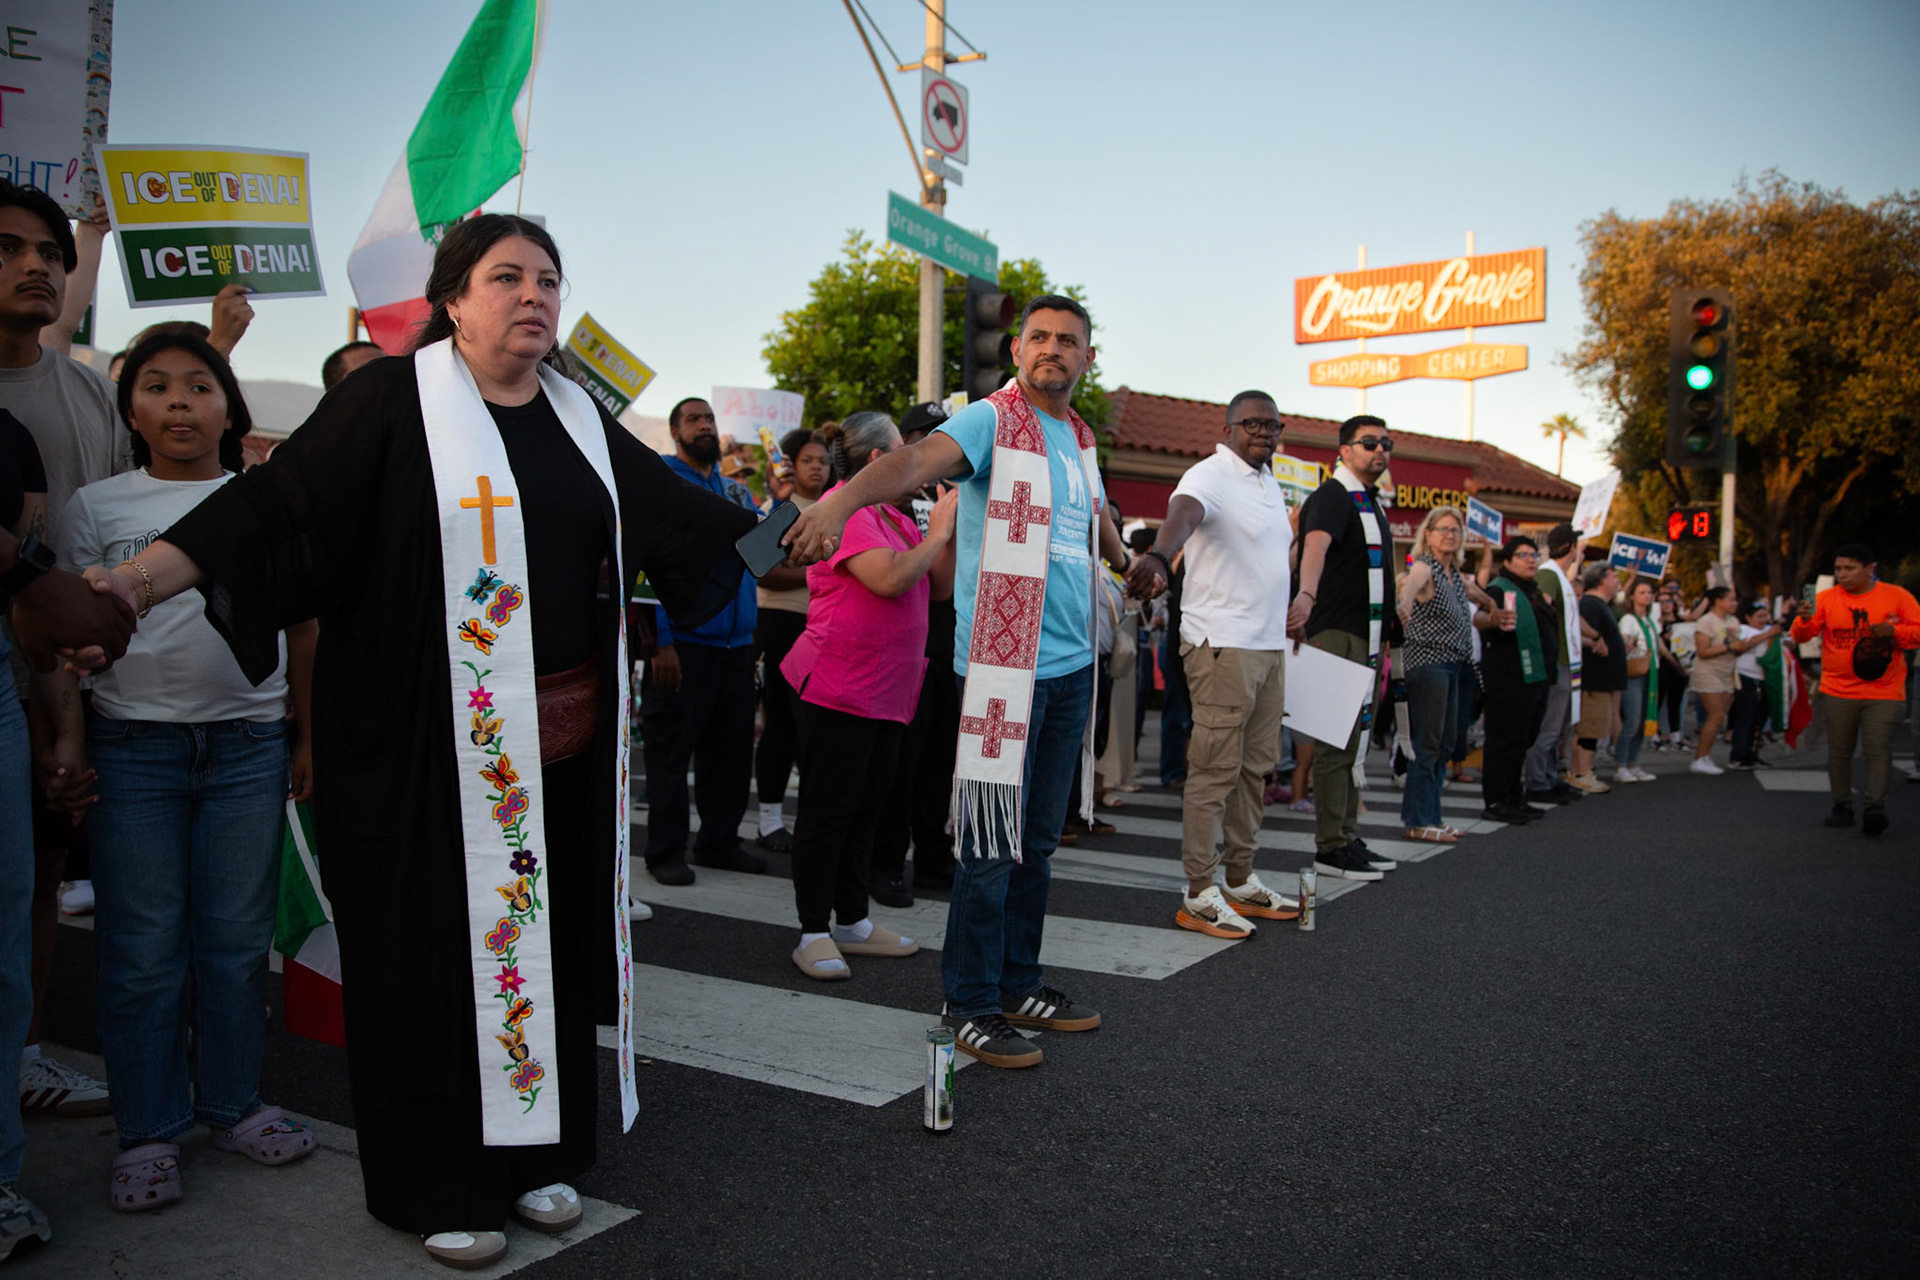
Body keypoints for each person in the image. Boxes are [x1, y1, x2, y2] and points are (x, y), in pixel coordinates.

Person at [72, 215, 755, 1267]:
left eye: (548, 280)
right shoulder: (394, 400)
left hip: (557, 755)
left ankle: (534, 1153)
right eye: (507, 277)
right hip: (419, 751)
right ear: (452, 297)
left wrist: (823, 521)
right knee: (430, 960)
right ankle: (436, 1175)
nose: (533, 295)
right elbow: (267, 510)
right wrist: (134, 579)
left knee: (545, 943)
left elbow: (689, 521)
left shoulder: (580, 415)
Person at [785, 294, 1123, 1068]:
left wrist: (1133, 562)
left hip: (1071, 671)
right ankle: (969, 1002)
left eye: (1069, 341)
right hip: (1005, 674)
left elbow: (1090, 518)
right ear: (1015, 350)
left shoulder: (1078, 436)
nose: (1053, 350)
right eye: (1039, 337)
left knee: (1037, 844)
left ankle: (1017, 982)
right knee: (990, 847)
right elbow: (911, 462)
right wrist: (840, 503)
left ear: (1087, 359)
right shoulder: (991, 420)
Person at [60, 333, 321, 1209]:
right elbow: (62, 644)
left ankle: (233, 1103)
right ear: (129, 409)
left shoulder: (263, 502)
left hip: (249, 748)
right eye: (158, 386)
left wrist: (304, 734)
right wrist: (68, 740)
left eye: (200, 386)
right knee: (140, 950)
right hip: (132, 751)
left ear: (228, 407)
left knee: (237, 944)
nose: (180, 402)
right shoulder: (95, 506)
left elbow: (302, 628)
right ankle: (149, 1130)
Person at [0, 178, 122, 1131]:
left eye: (49, 252)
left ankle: (24, 1053)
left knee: (34, 875)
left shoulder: (85, 387)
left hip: (67, 679)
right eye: (10, 249)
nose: (35, 266)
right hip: (22, 668)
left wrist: (69, 710)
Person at [781, 412, 954, 978]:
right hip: (840, 683)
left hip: (887, 689)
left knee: (866, 809)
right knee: (829, 810)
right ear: (878, 461)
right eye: (905, 452)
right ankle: (812, 930)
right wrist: (936, 535)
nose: (915, 463)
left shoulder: (894, 515)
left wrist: (949, 530)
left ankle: (852, 921)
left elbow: (939, 586)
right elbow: (889, 579)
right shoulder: (845, 508)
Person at [1128, 389, 1299, 937]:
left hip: (1268, 646)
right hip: (1222, 645)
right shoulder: (1210, 475)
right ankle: (1200, 892)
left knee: (1256, 768)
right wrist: (1159, 554)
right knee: (1214, 771)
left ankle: (1241, 879)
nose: (1263, 433)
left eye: (1273, 425)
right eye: (1251, 424)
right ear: (1227, 429)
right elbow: (1184, 514)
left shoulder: (1270, 483)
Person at [641, 396, 767, 884]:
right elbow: (645, 564)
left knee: (732, 752)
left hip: (736, 647)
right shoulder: (664, 483)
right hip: (685, 644)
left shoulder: (737, 493)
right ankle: (665, 851)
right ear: (675, 432)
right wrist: (661, 642)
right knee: (672, 753)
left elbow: (759, 557)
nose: (705, 426)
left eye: (710, 418)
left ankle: (719, 841)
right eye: (694, 419)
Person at [1288, 415, 1397, 881]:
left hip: (1366, 635)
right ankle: (1330, 847)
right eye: (1369, 442)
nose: (1379, 450)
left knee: (1354, 740)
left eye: (1385, 443)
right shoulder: (1332, 495)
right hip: (1335, 633)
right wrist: (1306, 596)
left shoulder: (1370, 502)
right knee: (1335, 740)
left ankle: (1346, 836)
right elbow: (1315, 545)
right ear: (1344, 451)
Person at [871, 401, 961, 905]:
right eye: (928, 434)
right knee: (899, 758)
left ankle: (933, 854)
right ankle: (885, 862)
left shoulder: (967, 488)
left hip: (951, 635)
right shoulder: (896, 488)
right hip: (906, 637)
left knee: (938, 755)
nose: (940, 442)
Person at [1790, 544, 1920, 835]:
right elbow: (1801, 635)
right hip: (1838, 690)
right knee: (1839, 751)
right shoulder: (1825, 599)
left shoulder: (1897, 596)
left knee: (1877, 749)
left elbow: (1918, 633)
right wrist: (1803, 618)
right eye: (1838, 569)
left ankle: (1875, 807)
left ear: (1870, 569)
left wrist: (1894, 632)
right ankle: (1842, 806)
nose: (1842, 575)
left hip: (1883, 690)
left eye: (1850, 568)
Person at [751, 426, 827, 854]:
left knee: (812, 730)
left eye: (822, 460)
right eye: (808, 460)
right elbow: (763, 569)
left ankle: (810, 822)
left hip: (822, 629)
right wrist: (817, 571)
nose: (817, 467)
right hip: (780, 623)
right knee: (779, 722)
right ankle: (768, 821)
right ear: (791, 466)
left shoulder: (840, 505)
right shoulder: (779, 508)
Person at [1395, 505, 1481, 843]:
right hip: (1429, 664)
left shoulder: (1454, 576)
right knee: (1427, 744)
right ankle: (1417, 820)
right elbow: (1409, 587)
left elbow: (1478, 596)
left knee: (1445, 744)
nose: (1449, 535)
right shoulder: (1424, 568)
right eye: (1442, 529)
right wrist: (1403, 607)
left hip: (1455, 665)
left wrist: (1493, 609)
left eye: (1455, 530)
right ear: (1427, 535)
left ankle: (1433, 817)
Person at [1479, 538, 1555, 823]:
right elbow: (1482, 618)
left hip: (1532, 678)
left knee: (1522, 740)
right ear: (1507, 561)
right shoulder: (1499, 589)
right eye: (1523, 555)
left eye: (1534, 554)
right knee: (1503, 741)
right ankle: (1497, 801)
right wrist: (1493, 620)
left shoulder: (1532, 590)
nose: (1531, 560)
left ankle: (1514, 796)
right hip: (1508, 679)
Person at [1525, 523, 1582, 805]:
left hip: (1563, 660)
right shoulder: (1549, 574)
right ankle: (1537, 781)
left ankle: (1547, 777)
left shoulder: (1557, 574)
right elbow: (1542, 607)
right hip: (1555, 661)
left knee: (1557, 727)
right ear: (1572, 547)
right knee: (1549, 727)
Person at [1568, 562, 1625, 793]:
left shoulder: (1601, 605)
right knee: (1590, 727)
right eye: (1613, 576)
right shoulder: (1591, 605)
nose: (1617, 581)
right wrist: (1596, 640)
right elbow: (1580, 633)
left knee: (1595, 726)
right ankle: (1582, 772)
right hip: (1594, 679)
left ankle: (1581, 771)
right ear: (1602, 580)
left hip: (1602, 680)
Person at [1613, 578, 1664, 783]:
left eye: (1649, 592)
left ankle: (1633, 762)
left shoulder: (1650, 621)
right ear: (1632, 596)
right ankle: (1621, 764)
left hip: (1651, 673)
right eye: (1642, 592)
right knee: (1632, 722)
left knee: (1643, 722)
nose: (1647, 596)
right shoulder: (1629, 619)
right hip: (1635, 673)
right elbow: (1625, 643)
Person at [1688, 587, 1741, 775]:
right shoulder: (1706, 621)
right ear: (1718, 601)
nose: (1735, 603)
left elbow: (1735, 646)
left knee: (1720, 715)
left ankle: (1706, 755)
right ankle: (1699, 758)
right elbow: (1703, 651)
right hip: (1708, 672)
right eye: (1731, 600)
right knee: (1716, 714)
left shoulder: (1733, 621)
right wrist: (1729, 646)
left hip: (1727, 672)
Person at [1728, 600, 1781, 770]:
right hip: (1745, 678)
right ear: (1748, 617)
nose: (1763, 620)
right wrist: (1767, 634)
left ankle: (1752, 754)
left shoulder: (1770, 630)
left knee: (1759, 719)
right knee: (1745, 717)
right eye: (1759, 616)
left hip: (1764, 680)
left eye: (1765, 616)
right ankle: (1738, 756)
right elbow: (1741, 647)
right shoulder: (1743, 630)